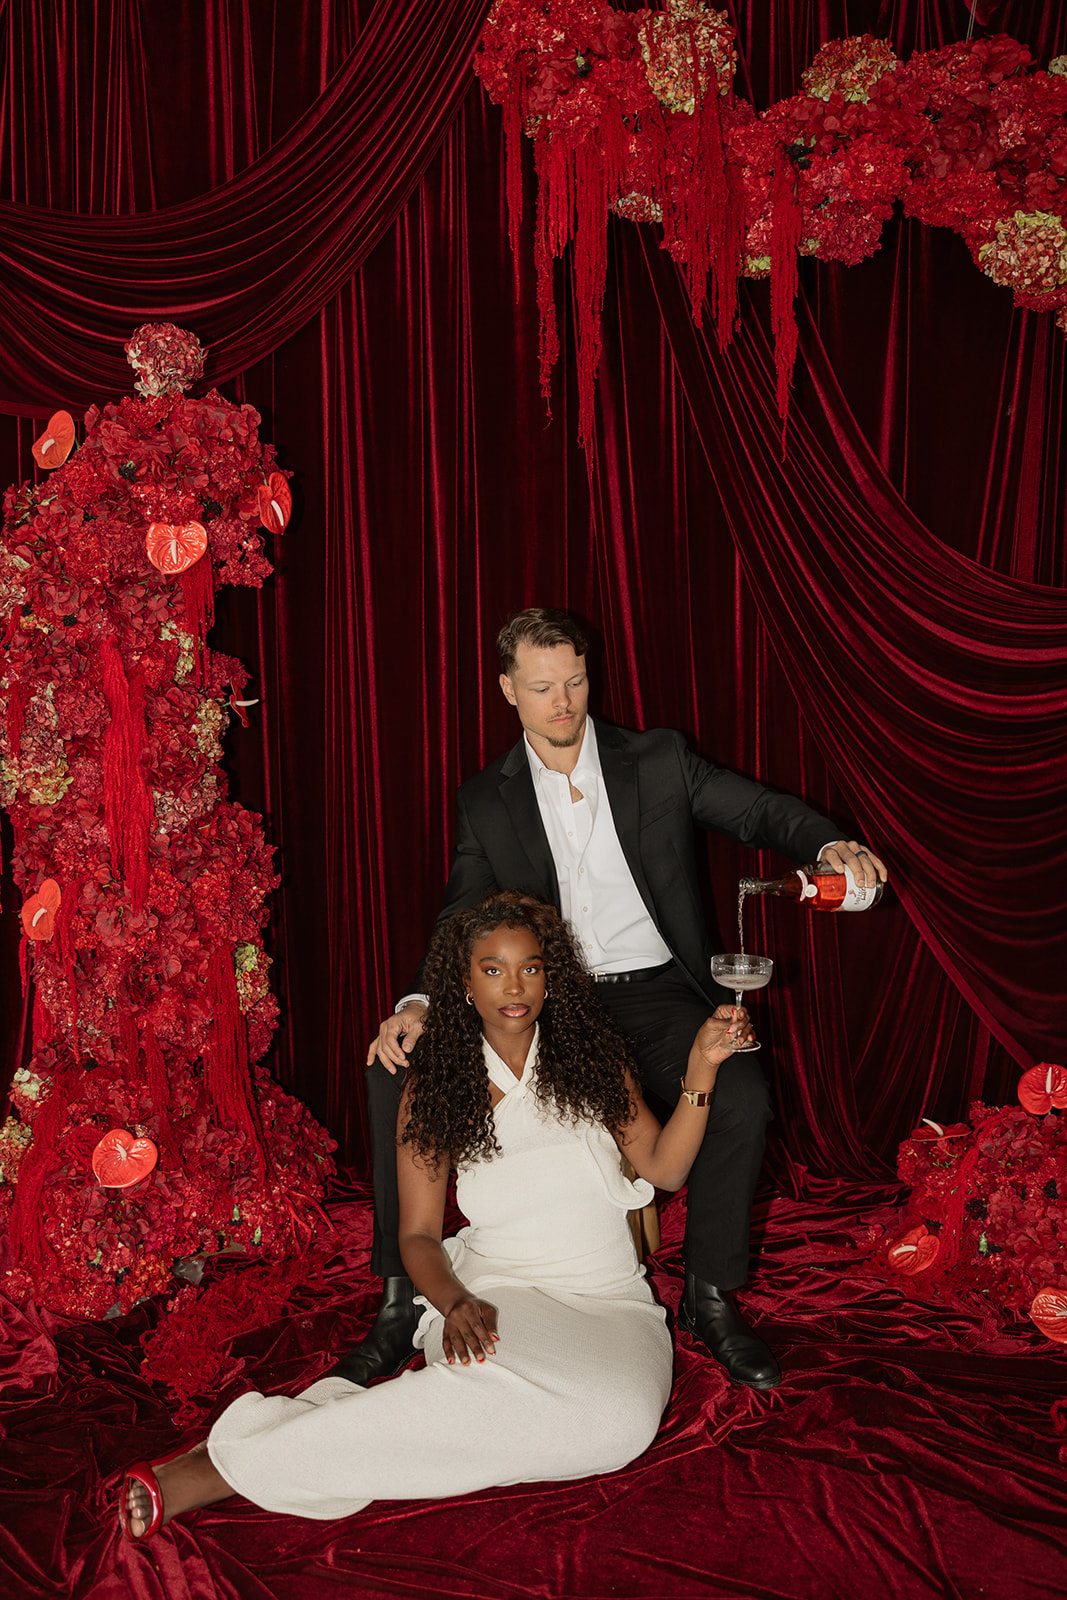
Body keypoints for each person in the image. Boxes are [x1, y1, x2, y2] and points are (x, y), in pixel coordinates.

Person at [342, 607, 887, 1392]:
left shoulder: (656, 759)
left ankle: (708, 1296)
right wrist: (421, 1002)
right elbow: (463, 911)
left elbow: (757, 809)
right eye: (541, 688)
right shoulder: (486, 799)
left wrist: (824, 842)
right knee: (390, 1070)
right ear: (507, 690)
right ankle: (400, 1300)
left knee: (741, 1094)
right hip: (548, 1001)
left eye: (574, 682)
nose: (562, 702)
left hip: (658, 991)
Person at [119, 894, 749, 1538]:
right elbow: (418, 1236)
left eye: (530, 968)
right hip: (497, 1294)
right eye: (493, 969)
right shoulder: (439, 1083)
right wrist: (454, 1302)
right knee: (477, 1394)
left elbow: (665, 1170)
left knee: (619, 1428)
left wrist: (702, 1066)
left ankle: (279, 1436)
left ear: (549, 977)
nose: (514, 987)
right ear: (465, 984)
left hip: (609, 1300)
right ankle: (223, 1469)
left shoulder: (593, 1062)